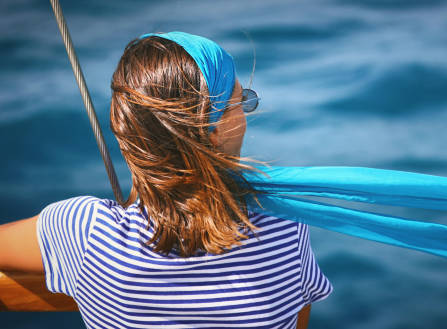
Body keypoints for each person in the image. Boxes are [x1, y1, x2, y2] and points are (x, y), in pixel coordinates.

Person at [0, 31, 332, 328]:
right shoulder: (282, 226)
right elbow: (297, 318)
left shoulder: (83, 232)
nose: (246, 113)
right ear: (213, 133)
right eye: (241, 100)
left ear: (127, 127)